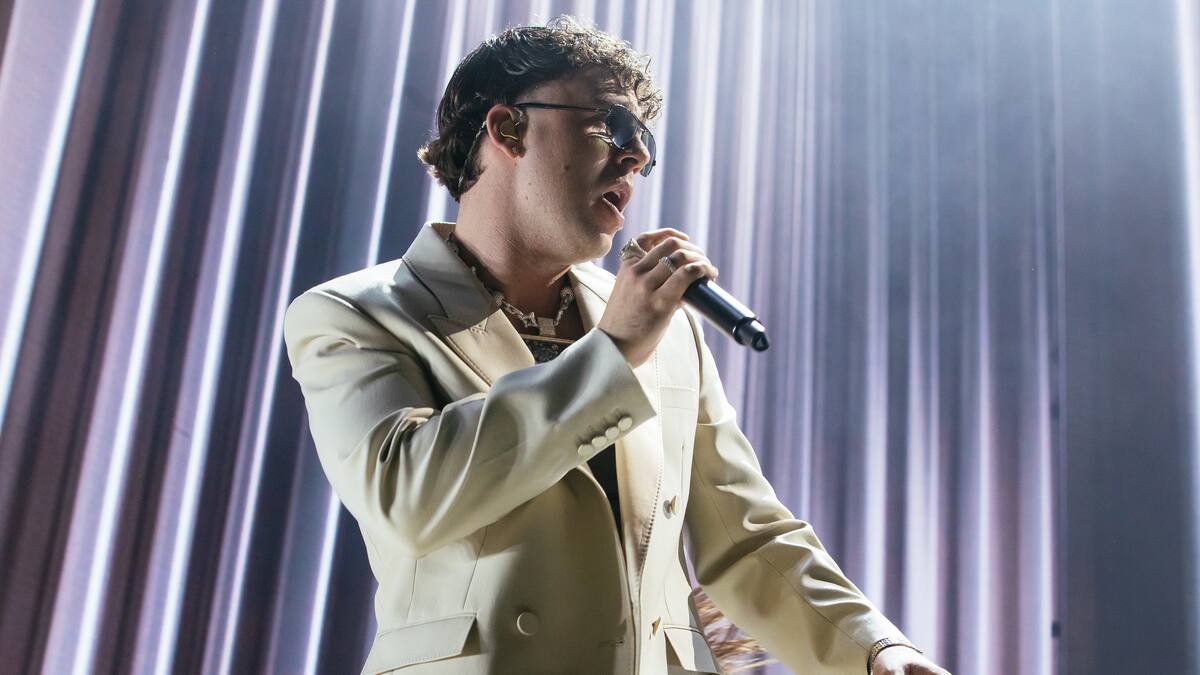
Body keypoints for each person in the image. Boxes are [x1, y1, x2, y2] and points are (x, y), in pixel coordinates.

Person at [284, 16, 951, 675]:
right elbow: (408, 498)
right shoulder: (356, 314)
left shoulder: (664, 326)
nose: (637, 159)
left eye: (646, 143)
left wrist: (875, 652)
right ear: (507, 129)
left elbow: (746, 538)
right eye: (614, 126)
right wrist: (612, 352)